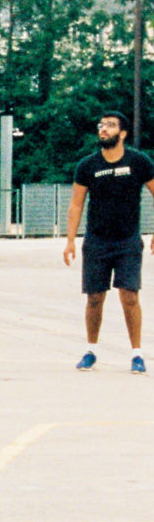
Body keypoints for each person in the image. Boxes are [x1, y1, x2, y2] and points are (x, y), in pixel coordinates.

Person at [64, 111, 154, 371]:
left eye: (110, 126)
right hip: (96, 241)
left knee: (129, 296)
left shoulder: (139, 162)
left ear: (122, 133)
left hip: (127, 241)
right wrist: (70, 240)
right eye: (101, 125)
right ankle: (91, 350)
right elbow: (76, 203)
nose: (103, 129)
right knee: (94, 298)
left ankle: (137, 355)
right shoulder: (87, 165)